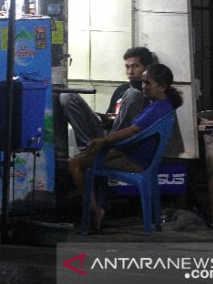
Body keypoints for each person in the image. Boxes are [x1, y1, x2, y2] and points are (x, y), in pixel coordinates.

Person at [67, 63, 183, 230]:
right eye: (143, 82)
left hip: (133, 160)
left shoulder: (156, 109)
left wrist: (104, 141)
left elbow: (132, 130)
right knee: (87, 156)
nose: (143, 87)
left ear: (162, 87)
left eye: (148, 83)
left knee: (75, 164)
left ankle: (95, 211)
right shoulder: (165, 105)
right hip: (132, 154)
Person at [59, 46, 157, 148]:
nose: (130, 71)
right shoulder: (121, 89)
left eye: (135, 66)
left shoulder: (150, 93)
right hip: (107, 133)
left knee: (133, 94)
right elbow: (110, 117)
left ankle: (108, 148)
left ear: (146, 68)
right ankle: (88, 148)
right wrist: (106, 119)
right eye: (127, 67)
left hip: (124, 140)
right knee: (67, 96)